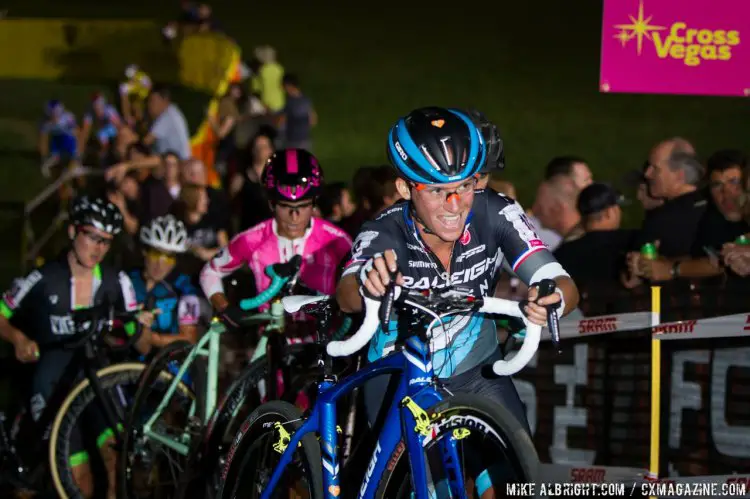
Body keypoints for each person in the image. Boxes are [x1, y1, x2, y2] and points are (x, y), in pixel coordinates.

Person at [336, 107, 578, 439]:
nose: (454, 204)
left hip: (476, 369)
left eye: (464, 186)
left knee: (516, 477)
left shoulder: (496, 211)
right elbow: (347, 295)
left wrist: (553, 297)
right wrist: (366, 285)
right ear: (406, 189)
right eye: (436, 190)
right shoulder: (386, 231)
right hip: (400, 375)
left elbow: (560, 281)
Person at [0, 195, 139, 498]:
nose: (99, 249)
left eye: (107, 241)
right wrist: (18, 338)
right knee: (78, 479)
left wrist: (144, 329)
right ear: (73, 231)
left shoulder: (118, 281)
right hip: (52, 378)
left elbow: (137, 335)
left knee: (117, 461)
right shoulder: (43, 278)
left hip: (98, 376)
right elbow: (1, 312)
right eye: (92, 238)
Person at [200, 148, 353, 320]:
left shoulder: (336, 239)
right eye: (286, 206)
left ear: (314, 203)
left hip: (324, 340)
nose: (294, 216)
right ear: (272, 204)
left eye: (303, 206)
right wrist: (224, 307)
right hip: (270, 338)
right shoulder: (251, 239)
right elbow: (210, 272)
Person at [129, 215, 201, 350]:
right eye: (156, 254)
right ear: (144, 251)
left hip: (168, 365)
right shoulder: (126, 280)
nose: (160, 264)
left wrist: (151, 338)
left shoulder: (186, 288)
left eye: (168, 257)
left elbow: (189, 338)